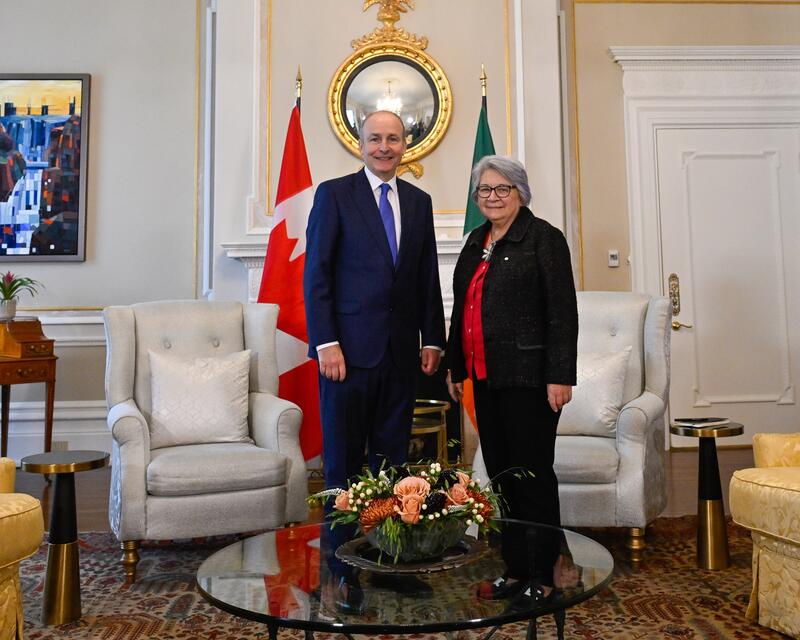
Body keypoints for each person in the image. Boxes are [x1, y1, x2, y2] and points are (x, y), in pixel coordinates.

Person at [445, 155, 578, 604]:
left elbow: (562, 314)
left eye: (502, 189)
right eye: (485, 190)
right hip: (484, 378)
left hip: (530, 379)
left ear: (520, 192)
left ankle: (544, 575)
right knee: (501, 478)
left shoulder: (544, 239)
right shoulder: (474, 240)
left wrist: (560, 375)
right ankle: (515, 570)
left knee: (533, 477)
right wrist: (455, 366)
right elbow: (462, 307)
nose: (493, 197)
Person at [304, 110, 446, 492]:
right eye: (376, 139)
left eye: (393, 139)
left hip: (400, 354)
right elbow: (317, 274)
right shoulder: (333, 195)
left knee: (392, 464)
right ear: (361, 145)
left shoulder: (420, 202)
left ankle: (384, 548)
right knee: (344, 463)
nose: (384, 147)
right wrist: (325, 343)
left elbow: (426, 275)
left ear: (405, 145)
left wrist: (432, 338)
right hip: (345, 355)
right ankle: (339, 551)